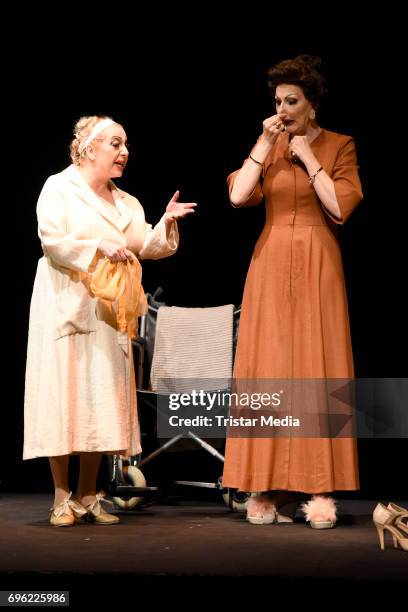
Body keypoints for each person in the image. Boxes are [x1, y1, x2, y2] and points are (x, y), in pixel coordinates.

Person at [23, 115, 196, 526]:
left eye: (126, 145)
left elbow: (143, 245)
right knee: (65, 397)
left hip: (110, 310)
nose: (124, 152)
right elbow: (53, 240)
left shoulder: (126, 202)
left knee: (99, 399)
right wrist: (96, 245)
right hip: (67, 303)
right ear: (88, 150)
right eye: (115, 144)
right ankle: (61, 496)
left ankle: (89, 494)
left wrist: (166, 224)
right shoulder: (58, 188)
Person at [222, 55, 363, 527]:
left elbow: (340, 209)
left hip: (319, 263)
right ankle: (264, 487)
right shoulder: (269, 144)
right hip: (271, 259)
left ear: (311, 105)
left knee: (318, 369)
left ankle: (319, 488)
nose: (283, 109)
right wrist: (265, 143)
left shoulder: (340, 146)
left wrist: (307, 156)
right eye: (278, 100)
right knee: (269, 370)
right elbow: (239, 196)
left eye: (292, 101)